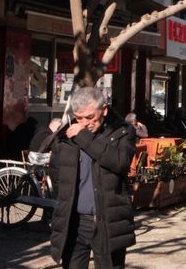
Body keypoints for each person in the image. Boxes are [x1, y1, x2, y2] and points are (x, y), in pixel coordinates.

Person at [49, 87, 136, 269]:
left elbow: (120, 162)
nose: (84, 123)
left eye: (90, 117)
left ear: (104, 109)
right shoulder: (67, 136)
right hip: (74, 223)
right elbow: (57, 175)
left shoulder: (121, 131)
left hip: (107, 221)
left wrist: (84, 137)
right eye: (78, 118)